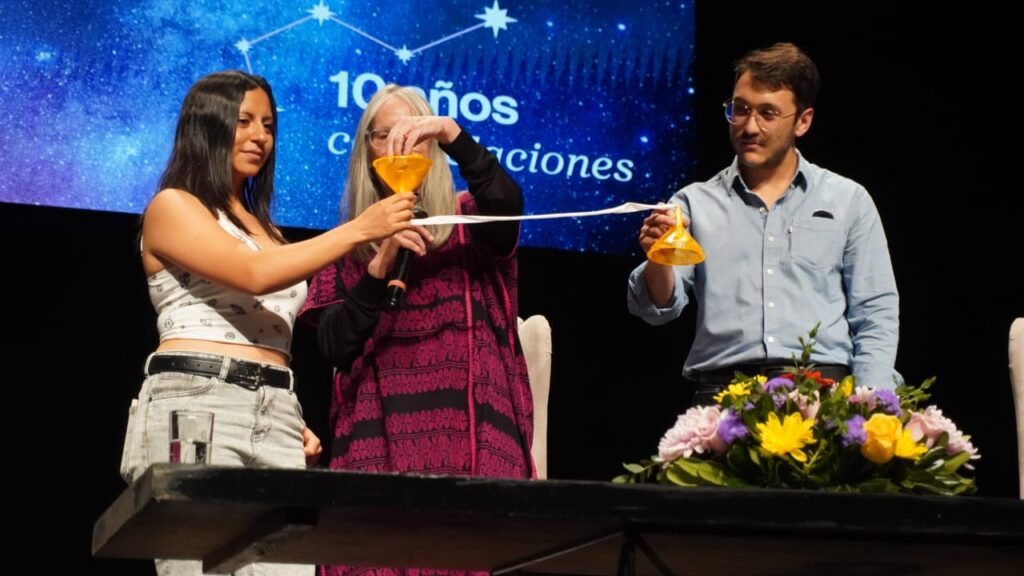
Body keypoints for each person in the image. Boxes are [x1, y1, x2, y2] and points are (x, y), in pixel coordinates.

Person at [119, 70, 416, 576]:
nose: (260, 136)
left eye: (269, 125)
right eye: (244, 121)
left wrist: (279, 407)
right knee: (202, 565)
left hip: (276, 411)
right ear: (207, 125)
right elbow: (253, 274)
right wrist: (359, 229)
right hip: (196, 402)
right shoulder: (173, 206)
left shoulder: (270, 232)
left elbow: (271, 327)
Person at [299, 84, 533, 515]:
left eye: (415, 133)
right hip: (376, 438)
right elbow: (333, 346)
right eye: (384, 135)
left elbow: (507, 203)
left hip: (473, 440)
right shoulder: (349, 242)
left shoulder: (469, 216)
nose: (400, 145)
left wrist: (451, 132)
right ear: (366, 150)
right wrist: (378, 267)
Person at [628, 43, 899, 406]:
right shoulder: (693, 202)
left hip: (822, 394)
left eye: (768, 113)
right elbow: (657, 308)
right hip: (723, 398)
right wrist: (658, 257)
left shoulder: (847, 199)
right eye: (740, 109)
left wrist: (872, 405)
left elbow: (876, 312)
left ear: (803, 121)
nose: (749, 126)